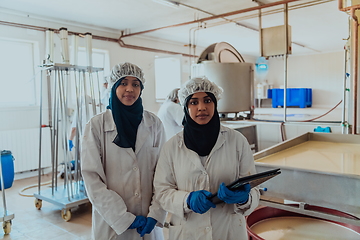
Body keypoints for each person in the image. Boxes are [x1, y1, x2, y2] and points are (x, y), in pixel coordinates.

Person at [154, 76, 260, 240]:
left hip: (228, 230)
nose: (202, 107)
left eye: (207, 100)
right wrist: (187, 200)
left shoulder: (237, 141)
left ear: (215, 104)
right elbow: (162, 192)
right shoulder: (172, 147)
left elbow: (253, 188)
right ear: (185, 106)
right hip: (188, 232)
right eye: (194, 102)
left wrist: (245, 198)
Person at [81, 62, 167, 240]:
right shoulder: (96, 126)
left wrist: (156, 213)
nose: (130, 89)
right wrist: (122, 217)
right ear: (114, 86)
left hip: (148, 221)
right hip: (113, 225)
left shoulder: (154, 124)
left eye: (135, 84)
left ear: (141, 89)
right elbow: (93, 179)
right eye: (123, 83)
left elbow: (164, 174)